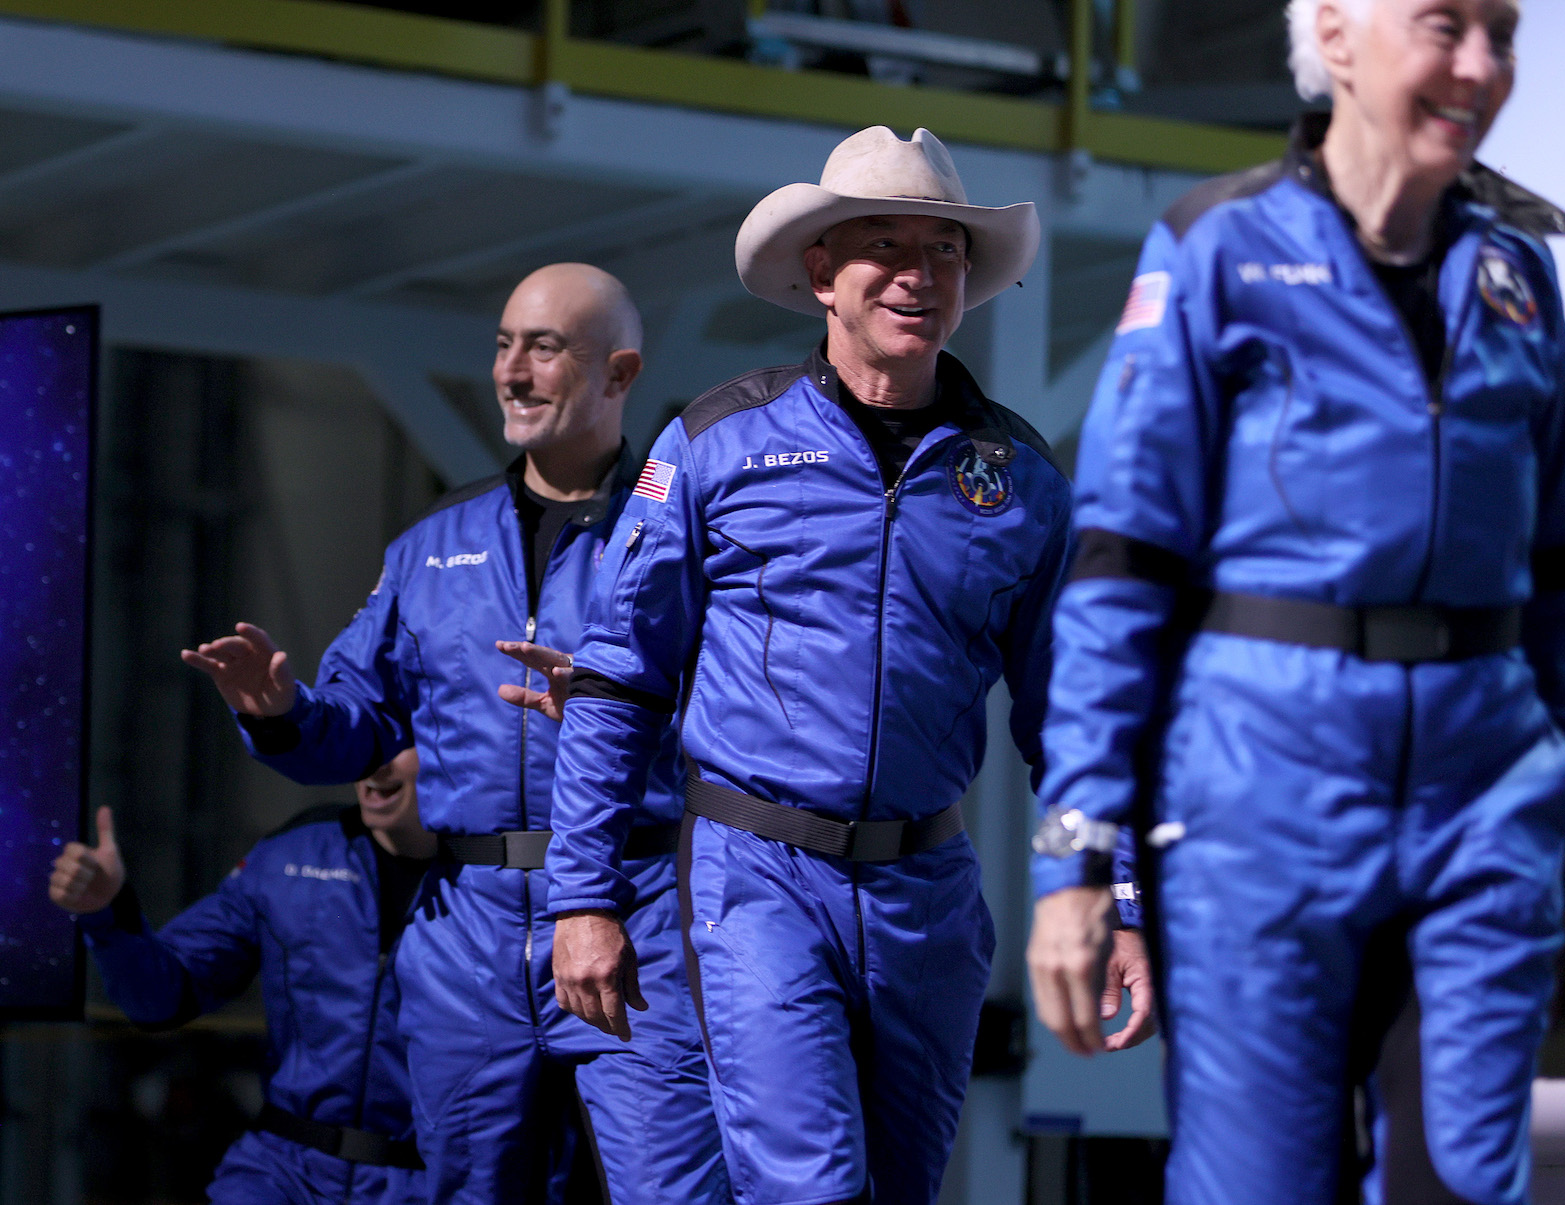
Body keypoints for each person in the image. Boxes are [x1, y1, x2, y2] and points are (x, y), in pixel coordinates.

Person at [1026, 2, 1565, 1202]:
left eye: (1503, 33)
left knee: (1458, 1184)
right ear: (1334, 35)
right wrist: (1077, 862)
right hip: (1257, 814)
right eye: (1444, 26)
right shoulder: (1213, 250)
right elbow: (1119, 576)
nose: (1481, 66)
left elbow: (1555, 597)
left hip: (1486, 810)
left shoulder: (1518, 276)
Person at [544, 125, 1154, 1205]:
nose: (917, 273)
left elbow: (1076, 721)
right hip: (756, 877)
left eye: (945, 250)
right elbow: (617, 676)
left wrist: (1119, 897)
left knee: (896, 1190)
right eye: (884, 245)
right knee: (814, 1187)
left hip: (930, 895)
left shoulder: (1019, 478)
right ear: (821, 272)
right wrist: (580, 896)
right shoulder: (717, 442)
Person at [179, 264, 727, 1205]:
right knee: (468, 1189)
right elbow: (355, 730)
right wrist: (281, 714)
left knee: (670, 1189)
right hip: (469, 931)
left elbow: (751, 733)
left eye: (544, 347)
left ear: (621, 372)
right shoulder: (433, 544)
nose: (511, 371)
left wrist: (621, 717)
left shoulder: (683, 530)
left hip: (635, 913)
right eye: (505, 344)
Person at [48, 749, 434, 1205]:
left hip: (427, 1182)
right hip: (281, 1172)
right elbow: (161, 998)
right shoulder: (293, 852)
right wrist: (107, 913)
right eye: (365, 739)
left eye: (396, 742)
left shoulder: (494, 880)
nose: (374, 762)